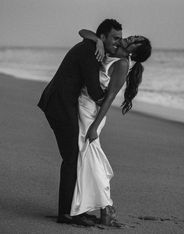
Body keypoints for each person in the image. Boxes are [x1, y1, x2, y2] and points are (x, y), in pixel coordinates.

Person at [37, 19, 123, 226]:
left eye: (120, 38)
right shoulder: (92, 52)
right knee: (72, 158)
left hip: (62, 103)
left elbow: (84, 32)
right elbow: (94, 91)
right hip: (59, 105)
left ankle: (73, 210)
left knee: (74, 156)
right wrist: (112, 94)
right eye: (115, 38)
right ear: (102, 37)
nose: (118, 42)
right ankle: (67, 214)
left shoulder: (93, 45)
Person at [69, 29, 152, 226]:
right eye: (134, 36)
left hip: (92, 113)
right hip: (84, 105)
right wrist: (98, 40)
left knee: (90, 156)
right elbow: (82, 31)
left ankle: (106, 207)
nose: (130, 37)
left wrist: (94, 127)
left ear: (134, 52)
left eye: (134, 40)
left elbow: (109, 98)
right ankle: (99, 207)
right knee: (88, 156)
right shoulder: (112, 52)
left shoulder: (122, 64)